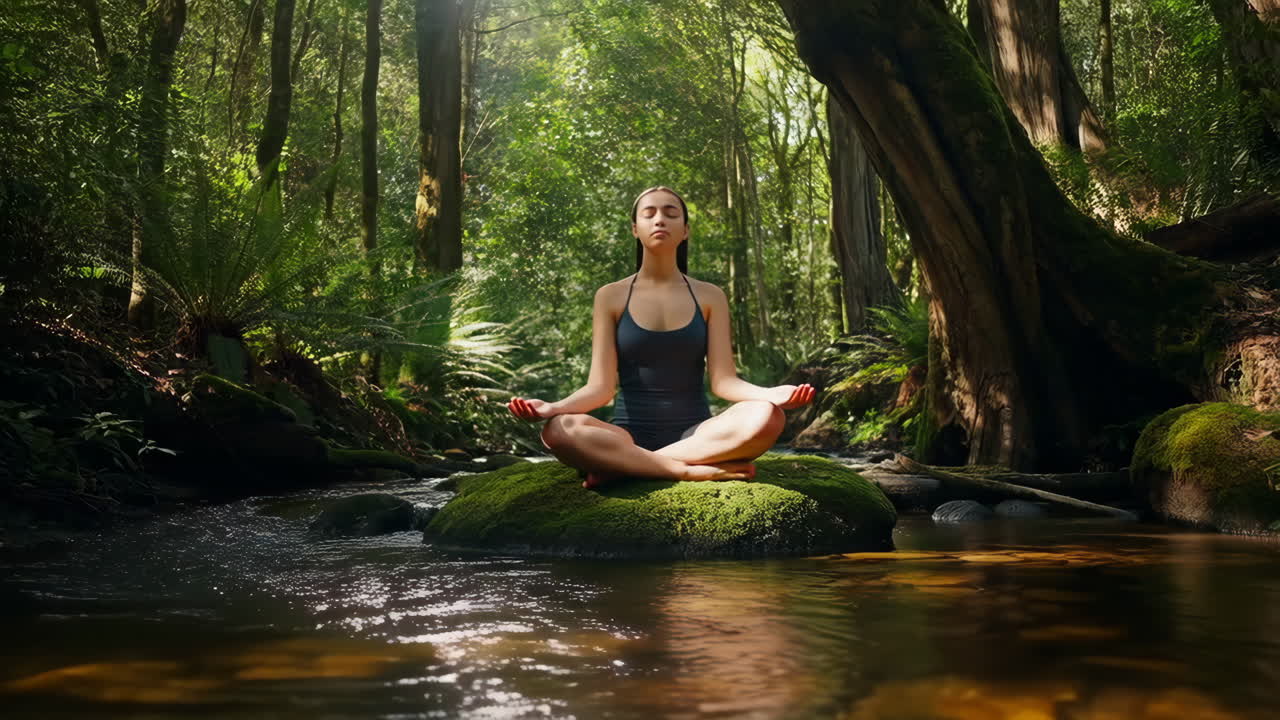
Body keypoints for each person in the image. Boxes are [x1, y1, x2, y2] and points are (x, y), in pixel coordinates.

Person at [507, 186, 815, 488]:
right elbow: (600, 390)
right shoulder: (610, 296)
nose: (659, 220)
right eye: (649, 213)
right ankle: (685, 471)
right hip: (625, 436)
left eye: (671, 213)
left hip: (697, 436)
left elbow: (723, 382)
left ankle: (625, 468)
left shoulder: (710, 296)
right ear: (635, 229)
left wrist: (770, 394)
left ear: (685, 231)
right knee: (559, 429)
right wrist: (554, 407)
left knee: (768, 416)